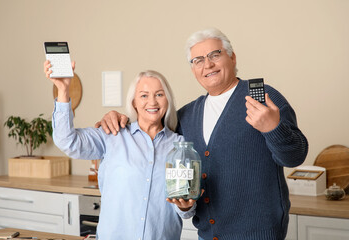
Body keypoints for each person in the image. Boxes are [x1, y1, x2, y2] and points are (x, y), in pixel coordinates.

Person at [96, 28, 309, 240]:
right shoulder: (187, 116)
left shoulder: (264, 99)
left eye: (215, 55)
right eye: (198, 60)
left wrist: (273, 128)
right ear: (193, 69)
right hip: (208, 235)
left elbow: (295, 156)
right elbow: (151, 132)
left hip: (258, 235)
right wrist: (118, 117)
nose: (207, 64)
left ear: (232, 58)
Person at [43, 61, 192, 239]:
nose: (152, 101)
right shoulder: (112, 134)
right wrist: (63, 90)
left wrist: (185, 206)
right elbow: (67, 141)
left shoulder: (180, 146)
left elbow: (185, 210)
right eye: (144, 95)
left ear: (167, 100)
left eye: (159, 94)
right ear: (134, 102)